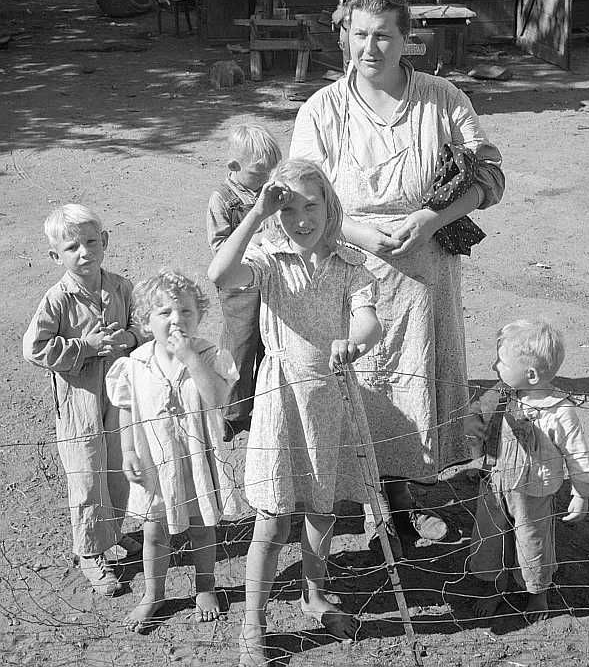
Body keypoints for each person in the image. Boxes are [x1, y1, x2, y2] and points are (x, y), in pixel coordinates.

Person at [290, 0, 505, 542]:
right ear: (343, 38)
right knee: (359, 382)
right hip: (350, 272)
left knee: (412, 387)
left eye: (383, 35)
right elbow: (298, 196)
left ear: (408, 40)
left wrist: (429, 220)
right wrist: (360, 232)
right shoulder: (323, 109)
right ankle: (357, 501)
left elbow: (489, 177)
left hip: (423, 274)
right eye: (359, 34)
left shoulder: (443, 99)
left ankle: (404, 500)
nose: (369, 47)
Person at [208, 159, 383, 666]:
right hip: (280, 398)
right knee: (272, 518)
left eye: (312, 205)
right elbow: (220, 274)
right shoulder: (269, 257)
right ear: (275, 214)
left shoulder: (351, 264)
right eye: (289, 209)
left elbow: (370, 322)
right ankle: (253, 623)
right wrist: (258, 212)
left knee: (322, 508)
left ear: (330, 204)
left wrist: (353, 342)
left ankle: (314, 591)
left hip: (329, 397)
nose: (301, 219)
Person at [106, 269, 241, 632]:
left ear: (199, 315)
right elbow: (127, 407)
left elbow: (217, 399)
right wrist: (128, 450)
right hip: (154, 462)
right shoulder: (135, 363)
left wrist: (189, 358)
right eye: (164, 312)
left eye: (185, 311)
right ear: (147, 321)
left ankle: (205, 587)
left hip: (197, 460)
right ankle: (154, 594)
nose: (176, 319)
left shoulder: (211, 355)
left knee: (200, 528)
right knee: (154, 531)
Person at [22, 204, 145, 595]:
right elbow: (34, 348)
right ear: (55, 255)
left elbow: (143, 325)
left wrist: (129, 339)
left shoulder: (121, 288)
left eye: (91, 242)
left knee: (118, 470)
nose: (84, 252)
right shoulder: (57, 299)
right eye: (72, 247)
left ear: (105, 242)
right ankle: (90, 552)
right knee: (88, 477)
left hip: (120, 400)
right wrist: (84, 347)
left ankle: (111, 533)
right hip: (80, 404)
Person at [465, 320, 589, 622]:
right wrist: (476, 460)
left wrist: (582, 492)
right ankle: (495, 586)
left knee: (533, 541)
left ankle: (538, 593)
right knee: (491, 536)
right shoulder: (502, 394)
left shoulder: (559, 410)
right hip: (495, 482)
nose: (494, 364)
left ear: (531, 374)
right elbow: (477, 422)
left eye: (502, 361)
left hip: (534, 492)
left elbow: (577, 453)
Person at [206, 124, 282, 442]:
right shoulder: (222, 200)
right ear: (234, 167)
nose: (265, 179)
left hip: (268, 280)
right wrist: (259, 233)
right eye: (257, 172)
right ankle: (230, 411)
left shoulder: (267, 192)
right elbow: (220, 248)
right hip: (238, 287)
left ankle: (267, 405)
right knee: (239, 345)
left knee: (269, 341)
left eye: (269, 172)